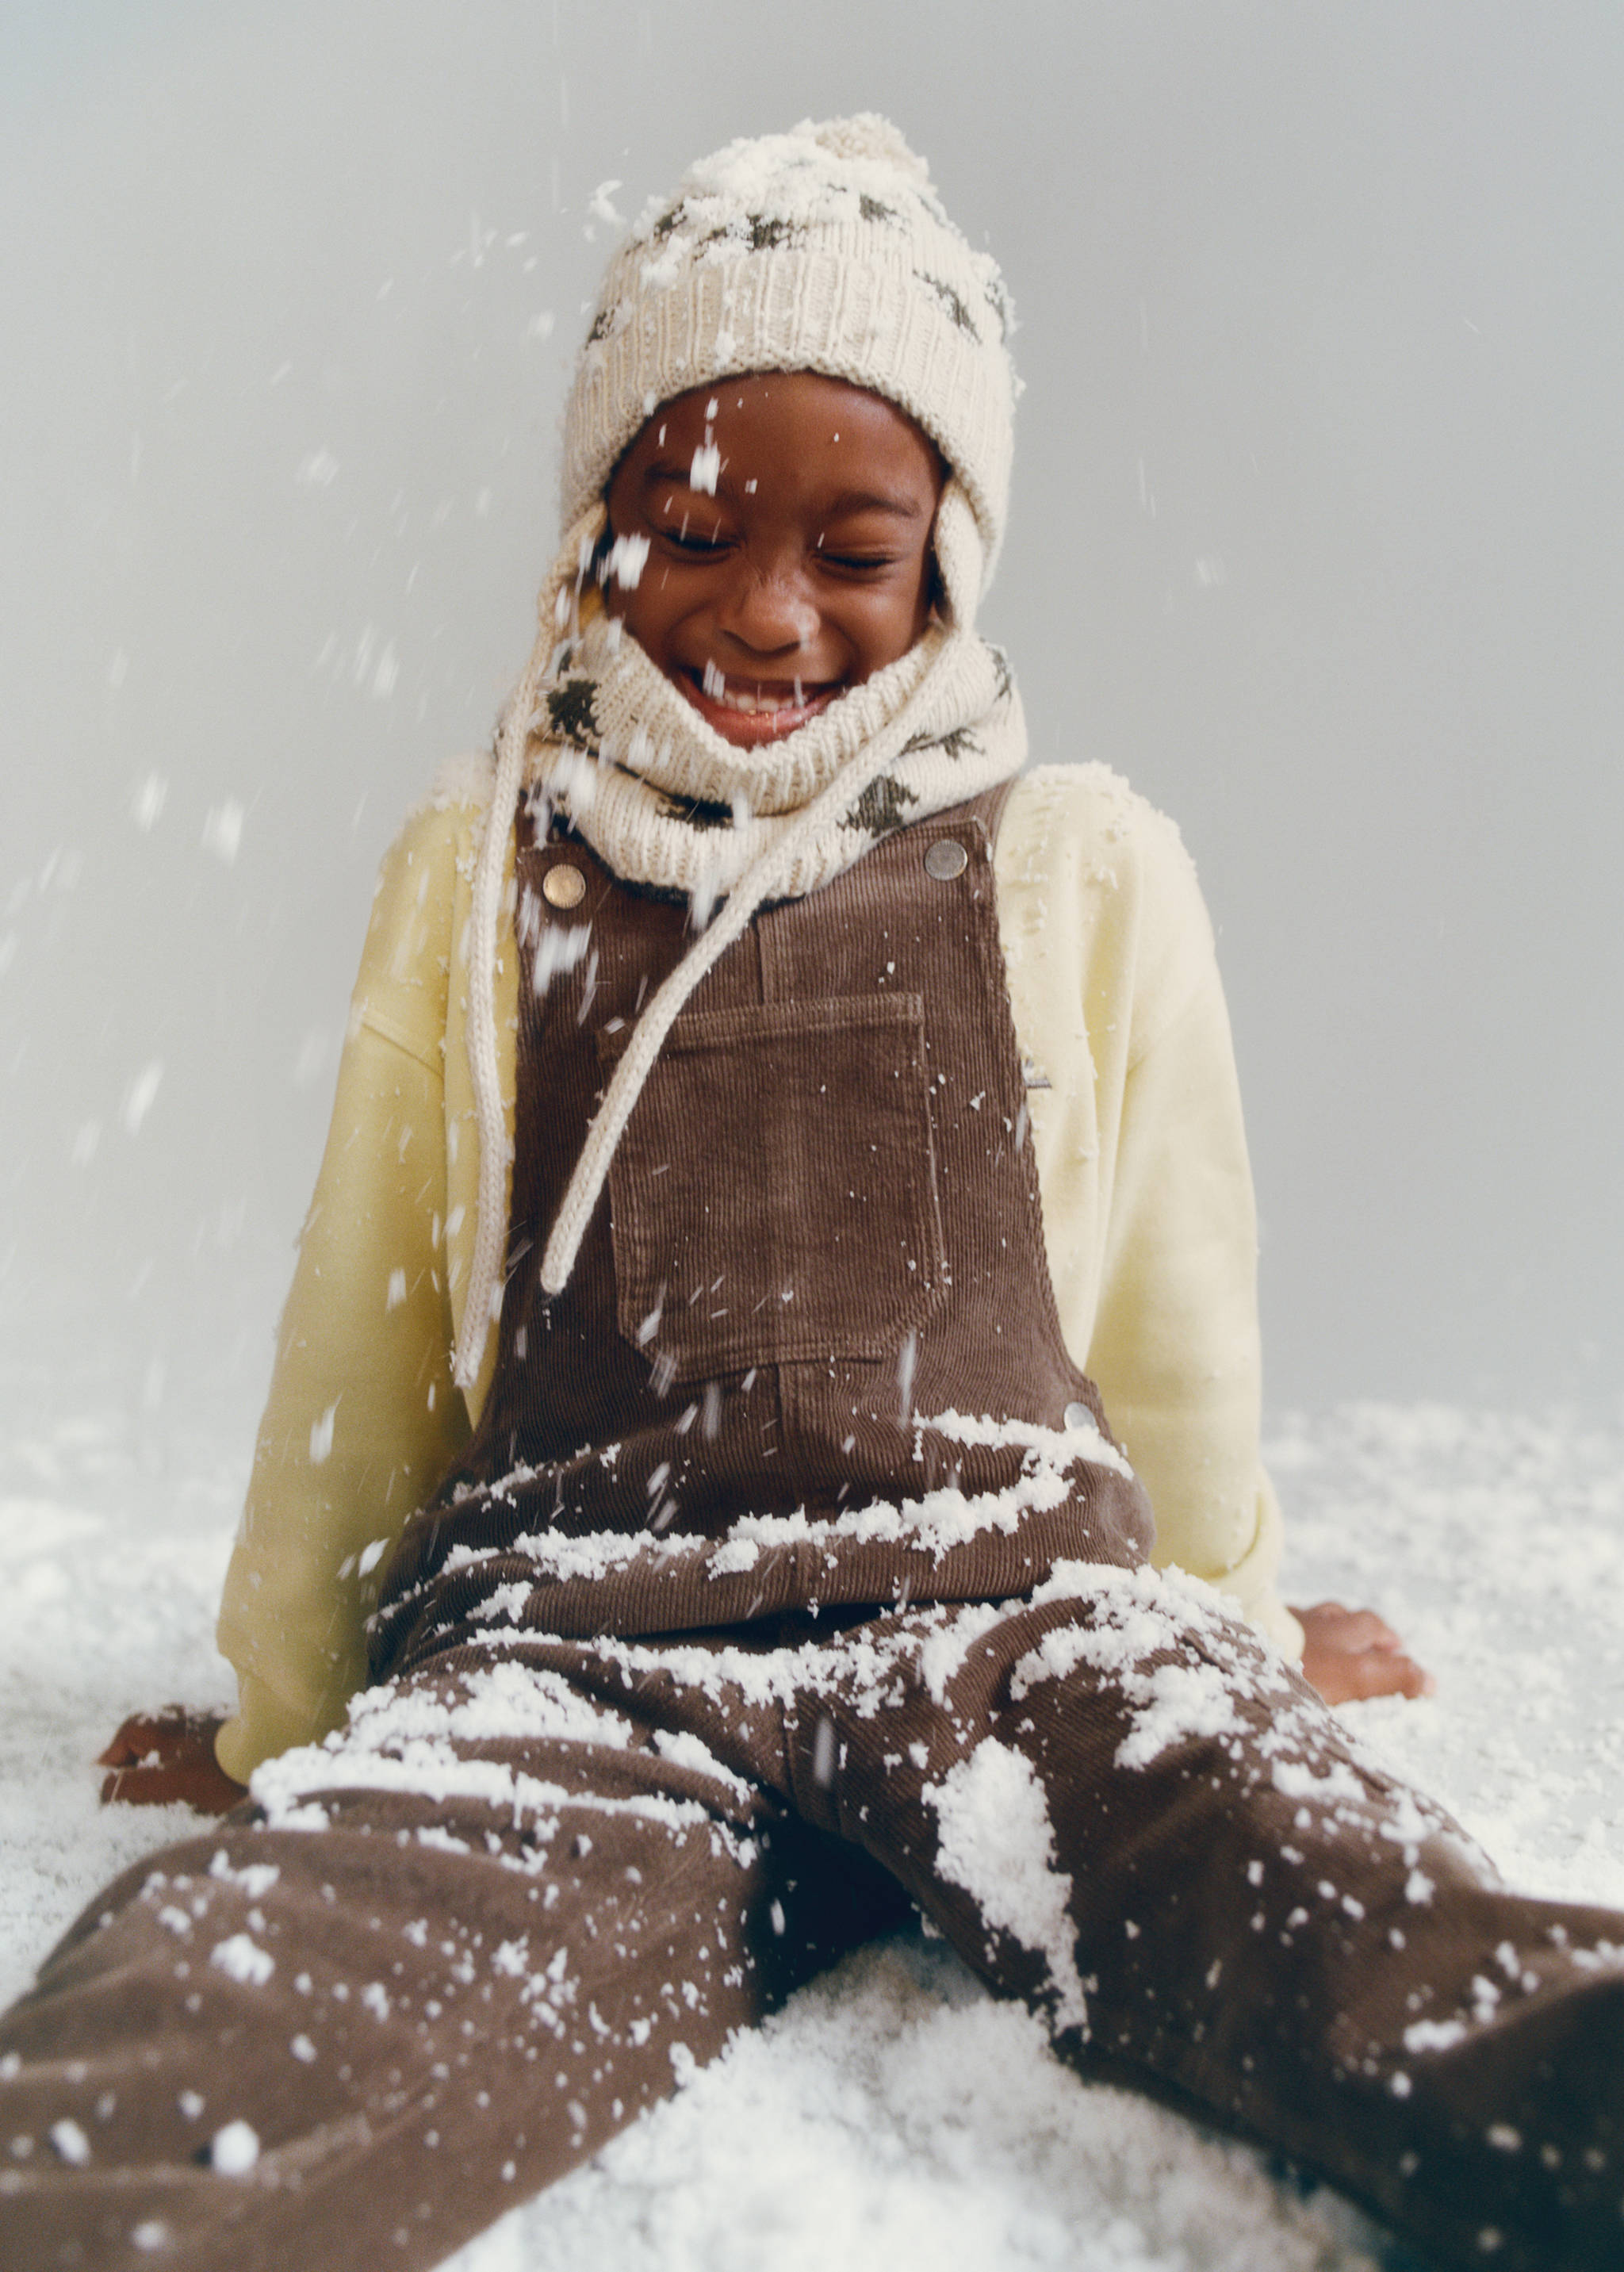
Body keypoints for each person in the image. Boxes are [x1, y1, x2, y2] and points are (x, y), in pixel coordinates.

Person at [3, 117, 1620, 2272]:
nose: (766, 610)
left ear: (948, 561)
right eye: (692, 530)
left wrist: (1221, 1627)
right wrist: (288, 1712)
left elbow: (1173, 1313)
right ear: (598, 527)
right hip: (589, 1646)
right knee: (241, 2010)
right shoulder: (482, 869)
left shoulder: (1078, 866)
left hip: (1024, 1621)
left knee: (1344, 1915)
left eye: (853, 552)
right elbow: (364, 1333)